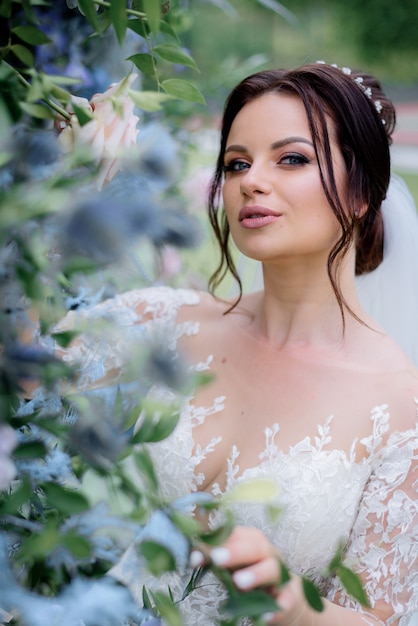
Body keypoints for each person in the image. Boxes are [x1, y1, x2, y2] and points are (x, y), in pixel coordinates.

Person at [57, 62, 418, 625]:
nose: (252, 180)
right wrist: (62, 188)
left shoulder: (402, 409)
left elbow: (380, 616)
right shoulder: (158, 321)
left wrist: (297, 608)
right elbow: (23, 376)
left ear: (362, 191)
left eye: (291, 158)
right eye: (236, 163)